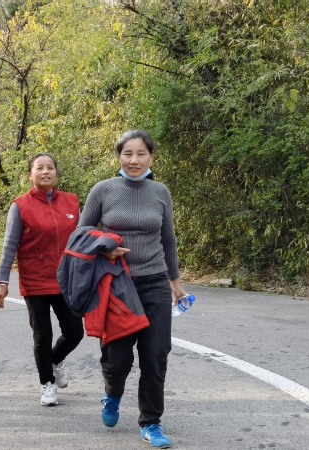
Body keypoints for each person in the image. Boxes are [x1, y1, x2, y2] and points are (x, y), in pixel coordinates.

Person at [78, 130, 188, 449]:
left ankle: (151, 422)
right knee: (117, 360)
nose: (134, 160)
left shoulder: (160, 192)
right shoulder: (103, 190)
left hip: (154, 281)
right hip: (116, 284)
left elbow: (168, 239)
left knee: (156, 353)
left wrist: (176, 283)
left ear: (151, 157)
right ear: (119, 157)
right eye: (128, 153)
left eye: (141, 153)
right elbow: (81, 232)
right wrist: (104, 247)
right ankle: (112, 393)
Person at [0, 153, 84, 407]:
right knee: (42, 335)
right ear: (30, 175)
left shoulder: (71, 202)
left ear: (56, 172)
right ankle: (47, 384)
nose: (46, 172)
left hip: (67, 279)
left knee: (75, 332)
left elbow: (82, 238)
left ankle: (55, 360)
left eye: (50, 167)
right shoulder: (20, 205)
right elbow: (9, 246)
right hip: (35, 280)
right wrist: (2, 281)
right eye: (40, 168)